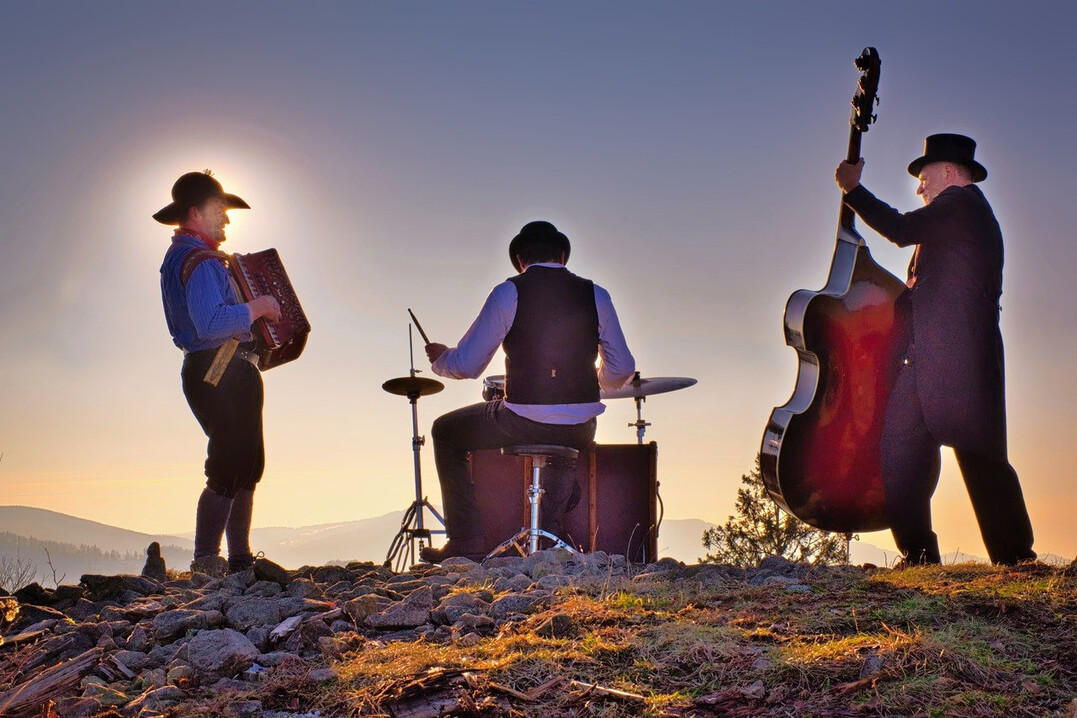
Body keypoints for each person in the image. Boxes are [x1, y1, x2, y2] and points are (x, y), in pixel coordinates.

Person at [835, 133, 1035, 566]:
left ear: (947, 171)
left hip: (961, 364)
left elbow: (901, 229)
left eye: (923, 177)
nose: (919, 187)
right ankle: (920, 556)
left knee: (983, 461)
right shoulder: (951, 217)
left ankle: (1018, 560)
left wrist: (853, 191)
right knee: (898, 450)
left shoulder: (961, 204)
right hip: (926, 361)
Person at [420, 221, 636, 562]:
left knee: (445, 432)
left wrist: (440, 359)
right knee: (567, 435)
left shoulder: (509, 292)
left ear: (520, 258)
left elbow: (467, 365)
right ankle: (547, 541)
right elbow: (623, 368)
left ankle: (467, 542)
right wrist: (600, 385)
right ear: (563, 255)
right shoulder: (597, 294)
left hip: (522, 419)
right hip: (582, 427)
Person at [155, 171, 281, 576]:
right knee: (230, 460)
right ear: (195, 213)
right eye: (219, 211)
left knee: (246, 460)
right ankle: (208, 558)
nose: (226, 220)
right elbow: (210, 323)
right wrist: (259, 307)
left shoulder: (184, 258)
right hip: (219, 365)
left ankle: (240, 559)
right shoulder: (201, 261)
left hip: (214, 367)